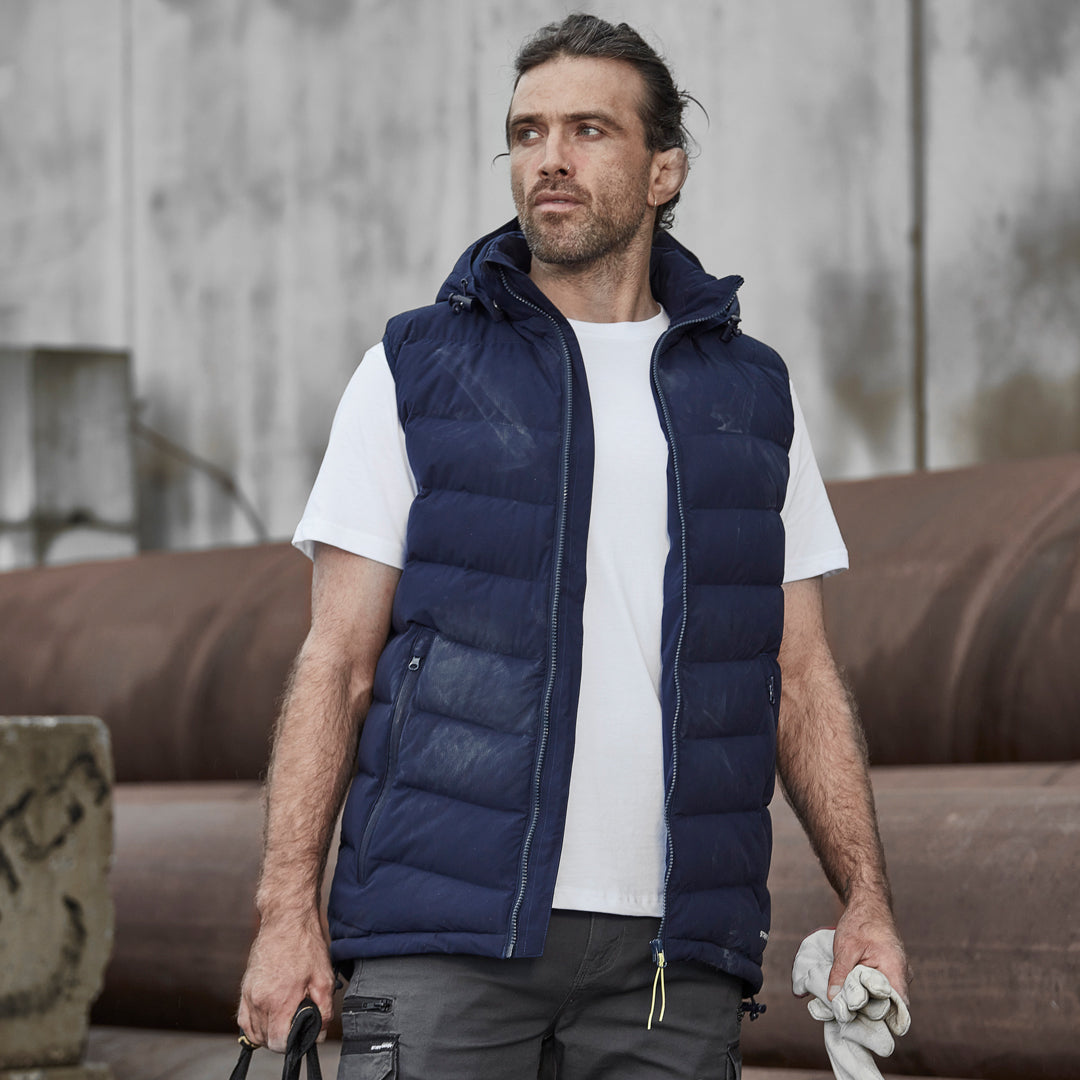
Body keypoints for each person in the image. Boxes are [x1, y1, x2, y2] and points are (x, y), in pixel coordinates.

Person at [238, 13, 908, 1079]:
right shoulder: (415, 368)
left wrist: (865, 900)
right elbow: (338, 664)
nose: (549, 157)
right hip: (447, 937)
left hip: (675, 958)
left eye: (589, 130)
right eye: (527, 132)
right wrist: (287, 914)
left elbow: (800, 676)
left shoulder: (750, 395)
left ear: (663, 170)